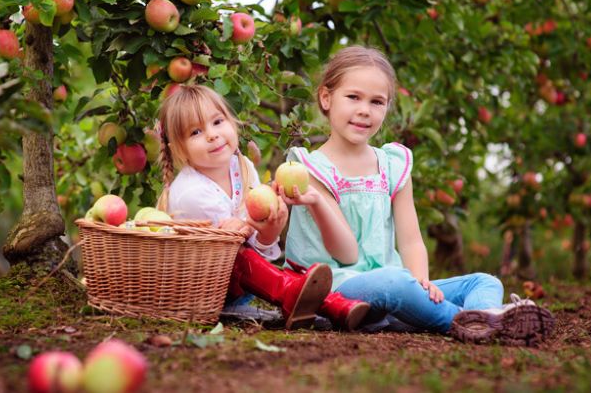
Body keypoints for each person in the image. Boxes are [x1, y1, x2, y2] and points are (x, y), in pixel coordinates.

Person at [279, 45, 554, 345]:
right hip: (335, 291)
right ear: (326, 98)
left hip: (397, 285)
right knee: (394, 283)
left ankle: (481, 317)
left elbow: (410, 240)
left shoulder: (392, 165)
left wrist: (422, 282)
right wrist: (408, 285)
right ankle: (475, 321)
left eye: (377, 102)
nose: (364, 110)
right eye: (353, 97)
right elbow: (347, 255)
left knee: (484, 281)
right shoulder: (310, 167)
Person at [155, 84, 370, 330]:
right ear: (179, 148)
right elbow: (229, 256)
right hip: (202, 287)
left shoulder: (241, 166)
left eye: (217, 122)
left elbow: (255, 245)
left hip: (239, 283)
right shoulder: (192, 193)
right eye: (195, 132)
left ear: (232, 122)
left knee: (281, 271)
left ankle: (334, 305)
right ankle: (299, 296)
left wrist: (269, 232)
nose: (212, 135)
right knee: (241, 258)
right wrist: (249, 228)